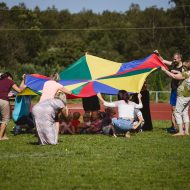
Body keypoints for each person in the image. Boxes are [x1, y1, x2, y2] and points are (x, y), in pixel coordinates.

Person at [156, 51, 183, 133]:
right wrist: (158, 54)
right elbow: (163, 60)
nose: (174, 60)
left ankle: (178, 128)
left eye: (175, 59)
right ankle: (174, 127)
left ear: (180, 59)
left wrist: (165, 71)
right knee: (173, 109)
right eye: (173, 59)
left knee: (178, 110)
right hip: (174, 90)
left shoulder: (183, 68)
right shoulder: (173, 64)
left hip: (180, 91)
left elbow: (174, 76)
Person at [161, 61, 190, 136]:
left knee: (177, 112)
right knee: (185, 113)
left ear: (187, 68)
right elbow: (180, 74)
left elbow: (174, 77)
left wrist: (165, 70)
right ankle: (186, 131)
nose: (182, 68)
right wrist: (176, 71)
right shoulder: (187, 73)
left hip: (183, 96)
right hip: (187, 96)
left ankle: (181, 131)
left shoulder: (186, 74)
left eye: (184, 66)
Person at [39, 73, 71, 137]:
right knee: (56, 119)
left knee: (43, 121)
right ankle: (55, 137)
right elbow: (69, 92)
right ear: (58, 78)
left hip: (40, 103)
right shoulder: (58, 85)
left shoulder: (46, 83)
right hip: (49, 104)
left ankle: (43, 136)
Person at [0, 72, 25, 140]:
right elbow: (19, 90)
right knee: (5, 119)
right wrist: (23, 80)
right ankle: (0, 137)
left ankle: (4, 136)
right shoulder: (10, 81)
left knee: (1, 119)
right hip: (3, 101)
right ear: (9, 77)